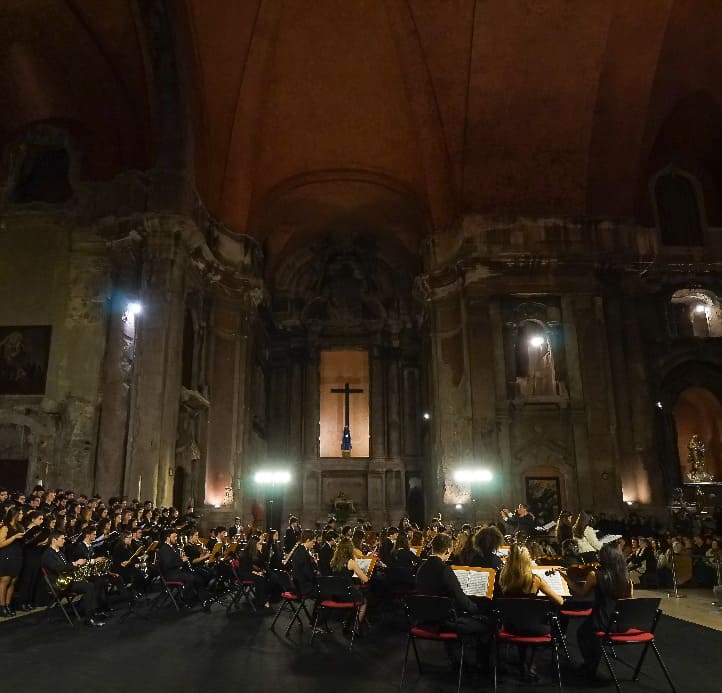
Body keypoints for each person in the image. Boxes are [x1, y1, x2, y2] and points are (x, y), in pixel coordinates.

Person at [567, 544, 633, 682]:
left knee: (582, 633)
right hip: (621, 622)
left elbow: (581, 593)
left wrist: (566, 580)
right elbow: (628, 603)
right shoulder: (627, 579)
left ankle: (589, 666)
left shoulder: (595, 575)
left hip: (602, 620)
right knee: (589, 635)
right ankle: (591, 665)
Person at [40, 530, 106, 626]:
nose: (64, 541)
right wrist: (75, 563)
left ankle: (92, 612)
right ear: (54, 540)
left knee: (92, 583)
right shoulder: (48, 554)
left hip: (67, 580)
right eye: (62, 538)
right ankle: (90, 616)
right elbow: (58, 568)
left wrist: (78, 567)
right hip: (58, 583)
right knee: (89, 586)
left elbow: (66, 567)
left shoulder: (60, 552)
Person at [158, 529, 211, 610]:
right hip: (171, 575)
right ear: (168, 538)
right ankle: (188, 600)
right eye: (174, 537)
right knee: (191, 578)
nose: (176, 538)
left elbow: (174, 560)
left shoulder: (172, 547)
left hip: (177, 572)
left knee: (197, 576)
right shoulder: (164, 549)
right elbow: (168, 564)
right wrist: (181, 560)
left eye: (176, 536)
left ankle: (202, 599)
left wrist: (181, 558)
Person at [330, 537, 369, 625]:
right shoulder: (351, 562)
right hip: (348, 593)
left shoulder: (333, 561)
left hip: (336, 592)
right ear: (349, 549)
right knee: (364, 601)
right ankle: (356, 625)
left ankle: (347, 621)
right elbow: (365, 579)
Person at [0, 506, 25, 616]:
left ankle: (8, 604)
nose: (22, 515)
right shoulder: (5, 527)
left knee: (13, 581)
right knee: (5, 581)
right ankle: (1, 606)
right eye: (20, 514)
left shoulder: (20, 526)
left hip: (17, 555)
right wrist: (14, 537)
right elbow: (1, 544)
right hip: (7, 555)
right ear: (14, 515)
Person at [290, 529, 318, 596]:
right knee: (324, 588)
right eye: (313, 542)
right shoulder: (303, 553)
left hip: (296, 584)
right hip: (302, 586)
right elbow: (308, 573)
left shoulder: (299, 549)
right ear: (308, 540)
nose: (314, 544)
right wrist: (317, 577)